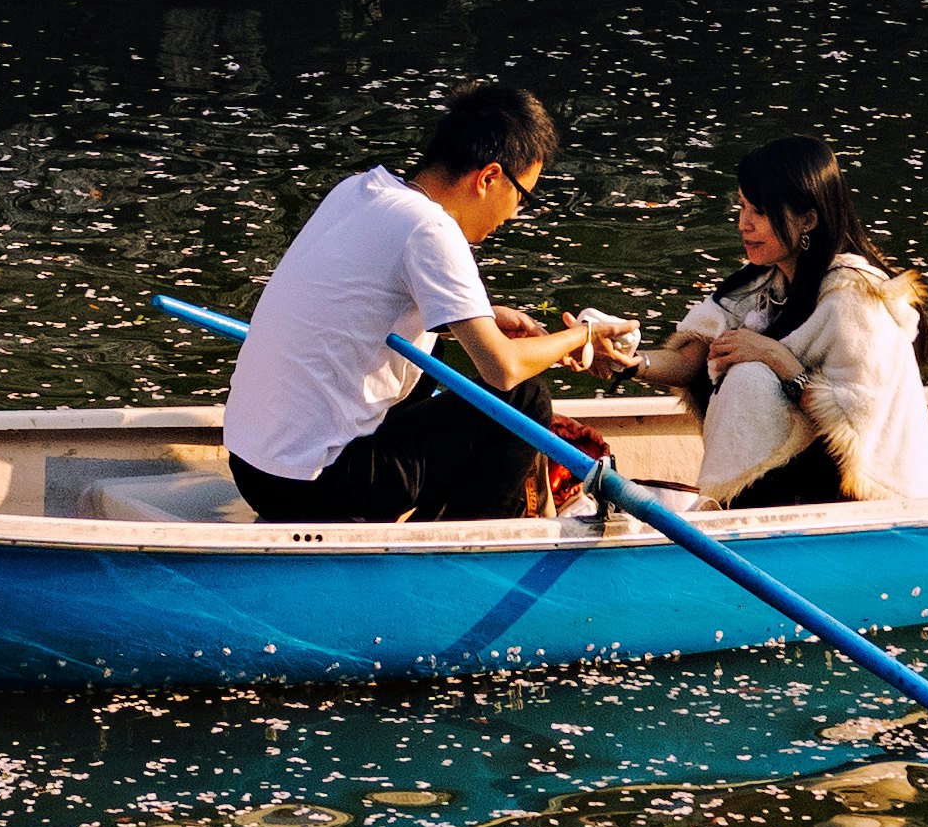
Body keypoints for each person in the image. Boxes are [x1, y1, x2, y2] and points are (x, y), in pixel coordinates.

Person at [217, 83, 632, 523]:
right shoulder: (430, 228)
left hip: (253, 466)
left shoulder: (359, 191)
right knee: (523, 400)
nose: (513, 215)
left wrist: (485, 319)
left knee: (434, 343)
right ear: (489, 177)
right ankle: (461, 550)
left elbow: (365, 305)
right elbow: (503, 367)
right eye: (521, 198)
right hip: (314, 483)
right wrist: (580, 335)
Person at [645, 130, 928, 511]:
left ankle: (736, 520)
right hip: (798, 485)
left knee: (750, 376)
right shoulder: (762, 280)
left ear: (807, 219)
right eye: (742, 207)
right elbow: (693, 358)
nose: (743, 224)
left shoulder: (855, 297)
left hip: (868, 501)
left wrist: (777, 360)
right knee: (748, 372)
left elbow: (854, 426)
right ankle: (734, 516)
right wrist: (629, 363)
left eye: (760, 212)